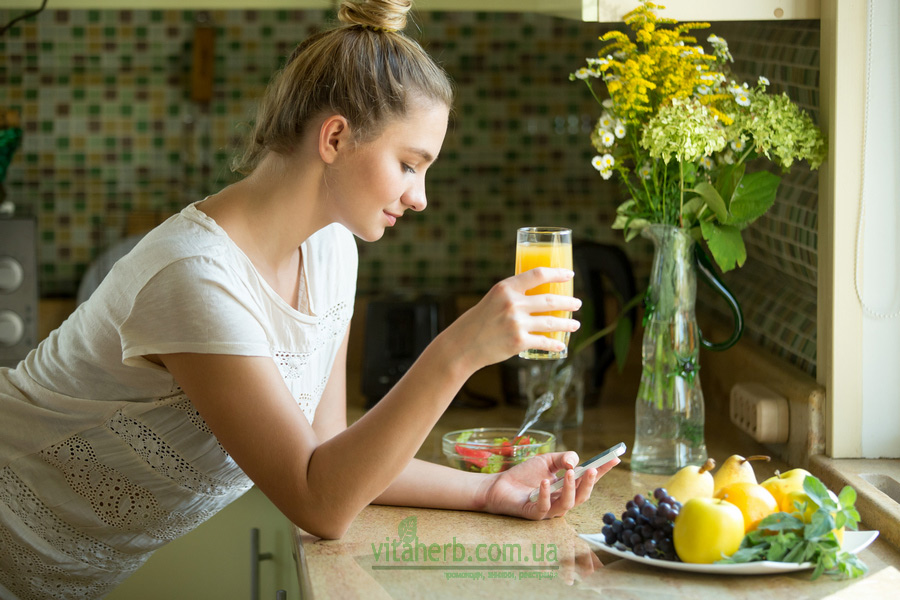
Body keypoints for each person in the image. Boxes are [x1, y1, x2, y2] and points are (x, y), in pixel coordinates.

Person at [0, 1, 618, 597]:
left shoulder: (332, 252)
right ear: (335, 137)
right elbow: (319, 501)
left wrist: (488, 491)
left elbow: (332, 457)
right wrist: (458, 351)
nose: (420, 195)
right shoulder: (195, 275)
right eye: (409, 163)